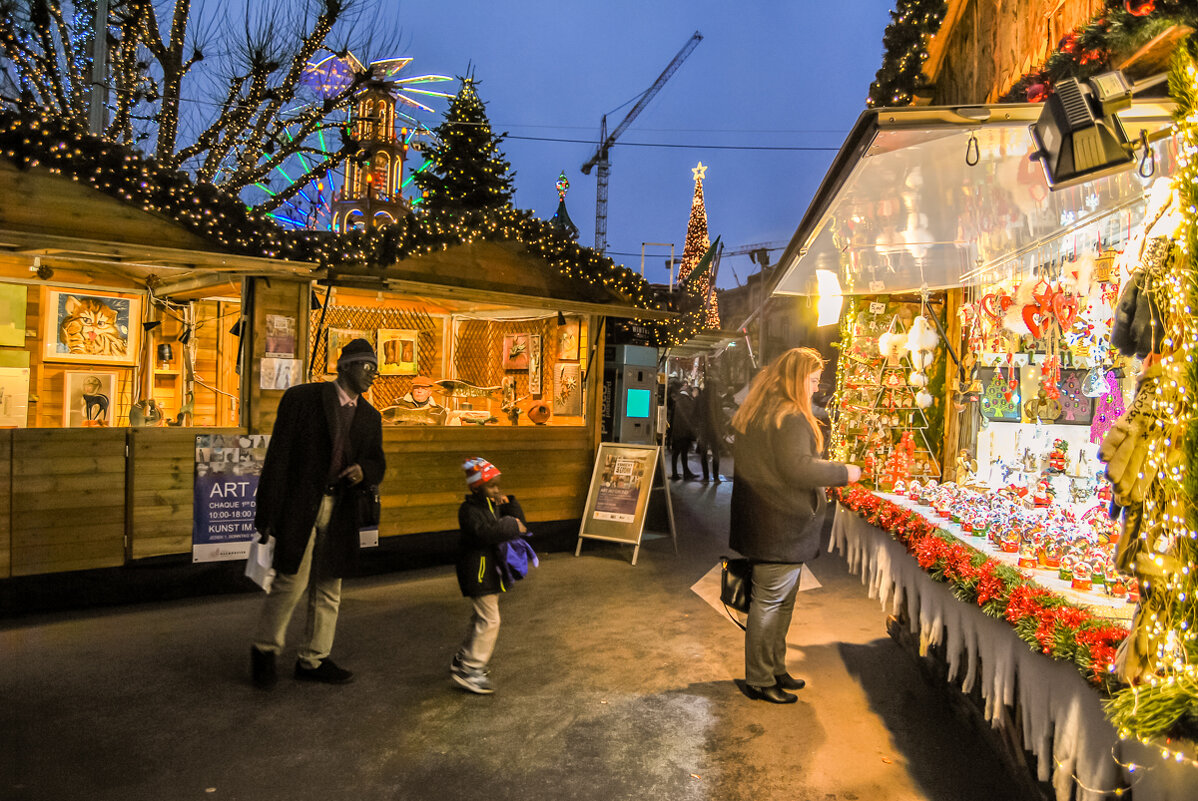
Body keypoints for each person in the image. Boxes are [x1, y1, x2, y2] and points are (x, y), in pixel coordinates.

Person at [249, 338, 386, 689]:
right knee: (290, 582)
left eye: (376, 368)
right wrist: (266, 515)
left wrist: (363, 471)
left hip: (339, 508)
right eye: (366, 366)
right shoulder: (303, 400)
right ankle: (265, 651)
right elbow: (278, 459)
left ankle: (313, 659)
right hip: (300, 504)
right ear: (345, 366)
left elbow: (376, 461)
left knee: (329, 586)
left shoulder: (370, 416)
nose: (373, 374)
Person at [729, 347, 861, 704]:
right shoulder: (789, 417)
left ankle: (774, 667)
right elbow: (797, 468)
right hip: (780, 524)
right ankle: (759, 678)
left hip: (766, 521)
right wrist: (843, 472)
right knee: (770, 604)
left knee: (778, 602)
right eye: (814, 380)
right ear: (796, 378)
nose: (817, 388)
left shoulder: (761, 411)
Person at [451, 457, 529, 695]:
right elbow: (485, 534)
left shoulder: (491, 506)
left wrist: (510, 504)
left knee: (481, 618)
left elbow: (520, 523)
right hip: (477, 573)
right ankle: (471, 669)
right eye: (492, 486)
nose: (497, 490)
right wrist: (513, 526)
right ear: (477, 487)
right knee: (490, 620)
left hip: (488, 573)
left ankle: (463, 658)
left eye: (498, 485)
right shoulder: (469, 511)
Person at [695, 373, 725, 482]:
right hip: (715, 429)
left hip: (703, 429)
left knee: (703, 454)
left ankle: (706, 476)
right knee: (716, 452)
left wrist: (698, 426)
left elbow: (695, 414)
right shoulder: (718, 398)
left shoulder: (700, 398)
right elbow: (720, 415)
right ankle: (716, 477)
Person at [669, 383, 699, 480]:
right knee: (683, 453)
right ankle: (685, 473)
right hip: (684, 432)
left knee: (676, 453)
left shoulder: (677, 400)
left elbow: (672, 418)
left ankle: (677, 473)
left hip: (677, 432)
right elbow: (691, 416)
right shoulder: (687, 401)